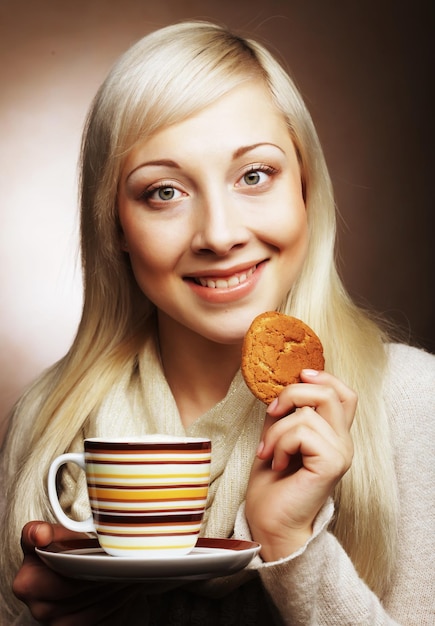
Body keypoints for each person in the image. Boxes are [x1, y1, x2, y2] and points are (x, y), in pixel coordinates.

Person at [0, 20, 434, 625]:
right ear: (116, 226)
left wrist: (291, 547)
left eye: (254, 176)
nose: (221, 235)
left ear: (306, 189)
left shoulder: (413, 401)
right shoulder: (48, 418)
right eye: (164, 192)